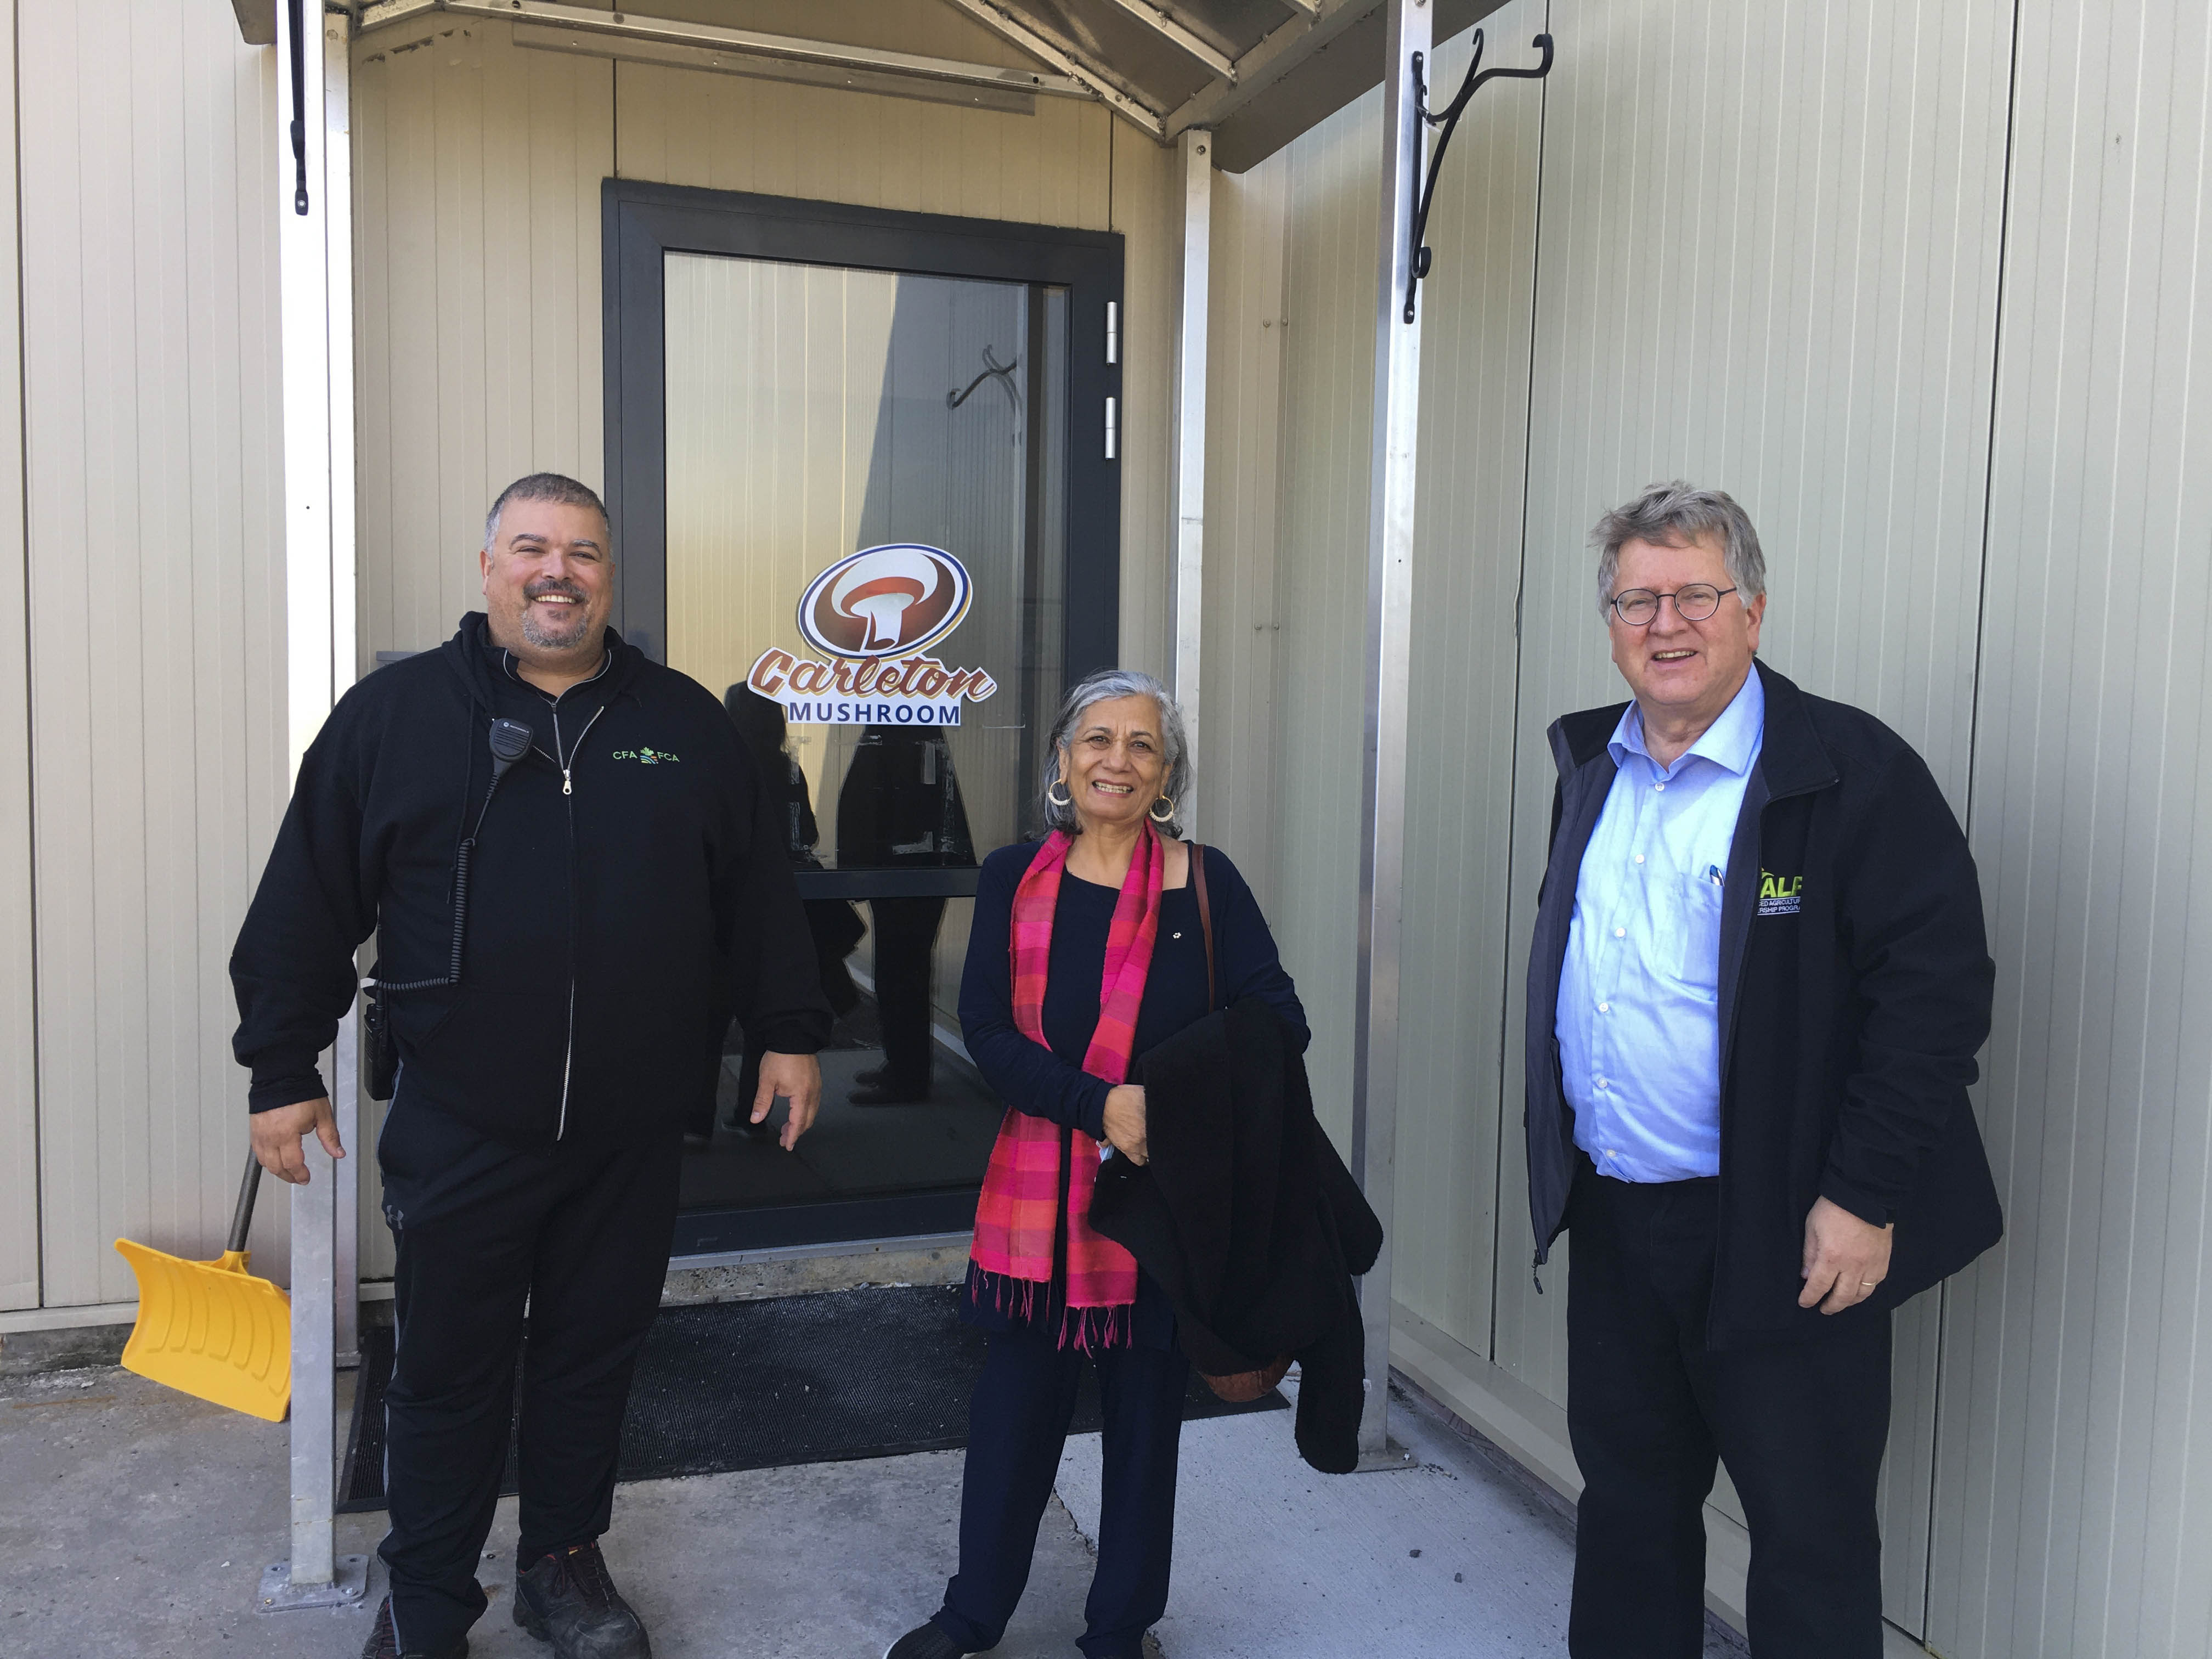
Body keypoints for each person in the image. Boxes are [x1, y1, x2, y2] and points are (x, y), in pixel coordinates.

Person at [230, 473, 829, 1659]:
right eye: (533, 548)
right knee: (446, 1371)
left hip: (631, 1124)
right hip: (464, 1121)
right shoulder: (394, 717)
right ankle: (432, 1602)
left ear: (612, 574)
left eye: (585, 552)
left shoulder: (686, 723)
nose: (559, 571)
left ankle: (562, 1567)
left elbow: (758, 892)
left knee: (590, 1354)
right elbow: (305, 898)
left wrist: (790, 1028)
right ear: (490, 566)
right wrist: (279, 1064)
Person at [1523, 482, 2003, 1657]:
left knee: (1810, 1532)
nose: (1666, 622)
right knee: (1631, 1509)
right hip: (1623, 1218)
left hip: (1793, 1234)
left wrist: (1863, 1198)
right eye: (1638, 597)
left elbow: (1934, 1000)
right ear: (1612, 619)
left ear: (1755, 610)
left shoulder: (1849, 772)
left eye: (1696, 592)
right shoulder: (1593, 766)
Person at [884, 669, 1306, 1659]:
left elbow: (1277, 1016)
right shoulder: (1010, 876)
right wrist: (1096, 1105)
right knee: (1010, 1415)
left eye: (1141, 745)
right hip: (1038, 1190)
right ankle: (970, 1613)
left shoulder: (1204, 882)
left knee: (1145, 1418)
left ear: (1166, 775)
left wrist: (1165, 1098)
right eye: (1096, 740)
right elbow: (983, 1027)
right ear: (1063, 762)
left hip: (1159, 1197)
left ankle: (1119, 1627)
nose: (1115, 759)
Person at [836, 724, 977, 1104]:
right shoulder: (917, 739)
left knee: (901, 975)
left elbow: (870, 804)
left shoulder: (905, 737)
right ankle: (903, 1065)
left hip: (906, 873)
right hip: (910, 871)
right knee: (902, 974)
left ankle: (907, 1076)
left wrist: (856, 868)